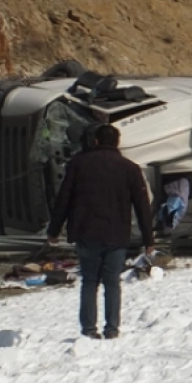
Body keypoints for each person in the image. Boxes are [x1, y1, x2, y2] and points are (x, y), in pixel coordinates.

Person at [47, 124, 154, 339]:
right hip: (117, 233)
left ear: (95, 141)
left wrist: (54, 230)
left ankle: (89, 329)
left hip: (86, 232)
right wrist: (148, 239)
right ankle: (112, 328)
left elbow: (64, 199)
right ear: (117, 142)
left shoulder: (78, 164)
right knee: (112, 282)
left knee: (89, 282)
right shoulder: (130, 168)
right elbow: (142, 206)